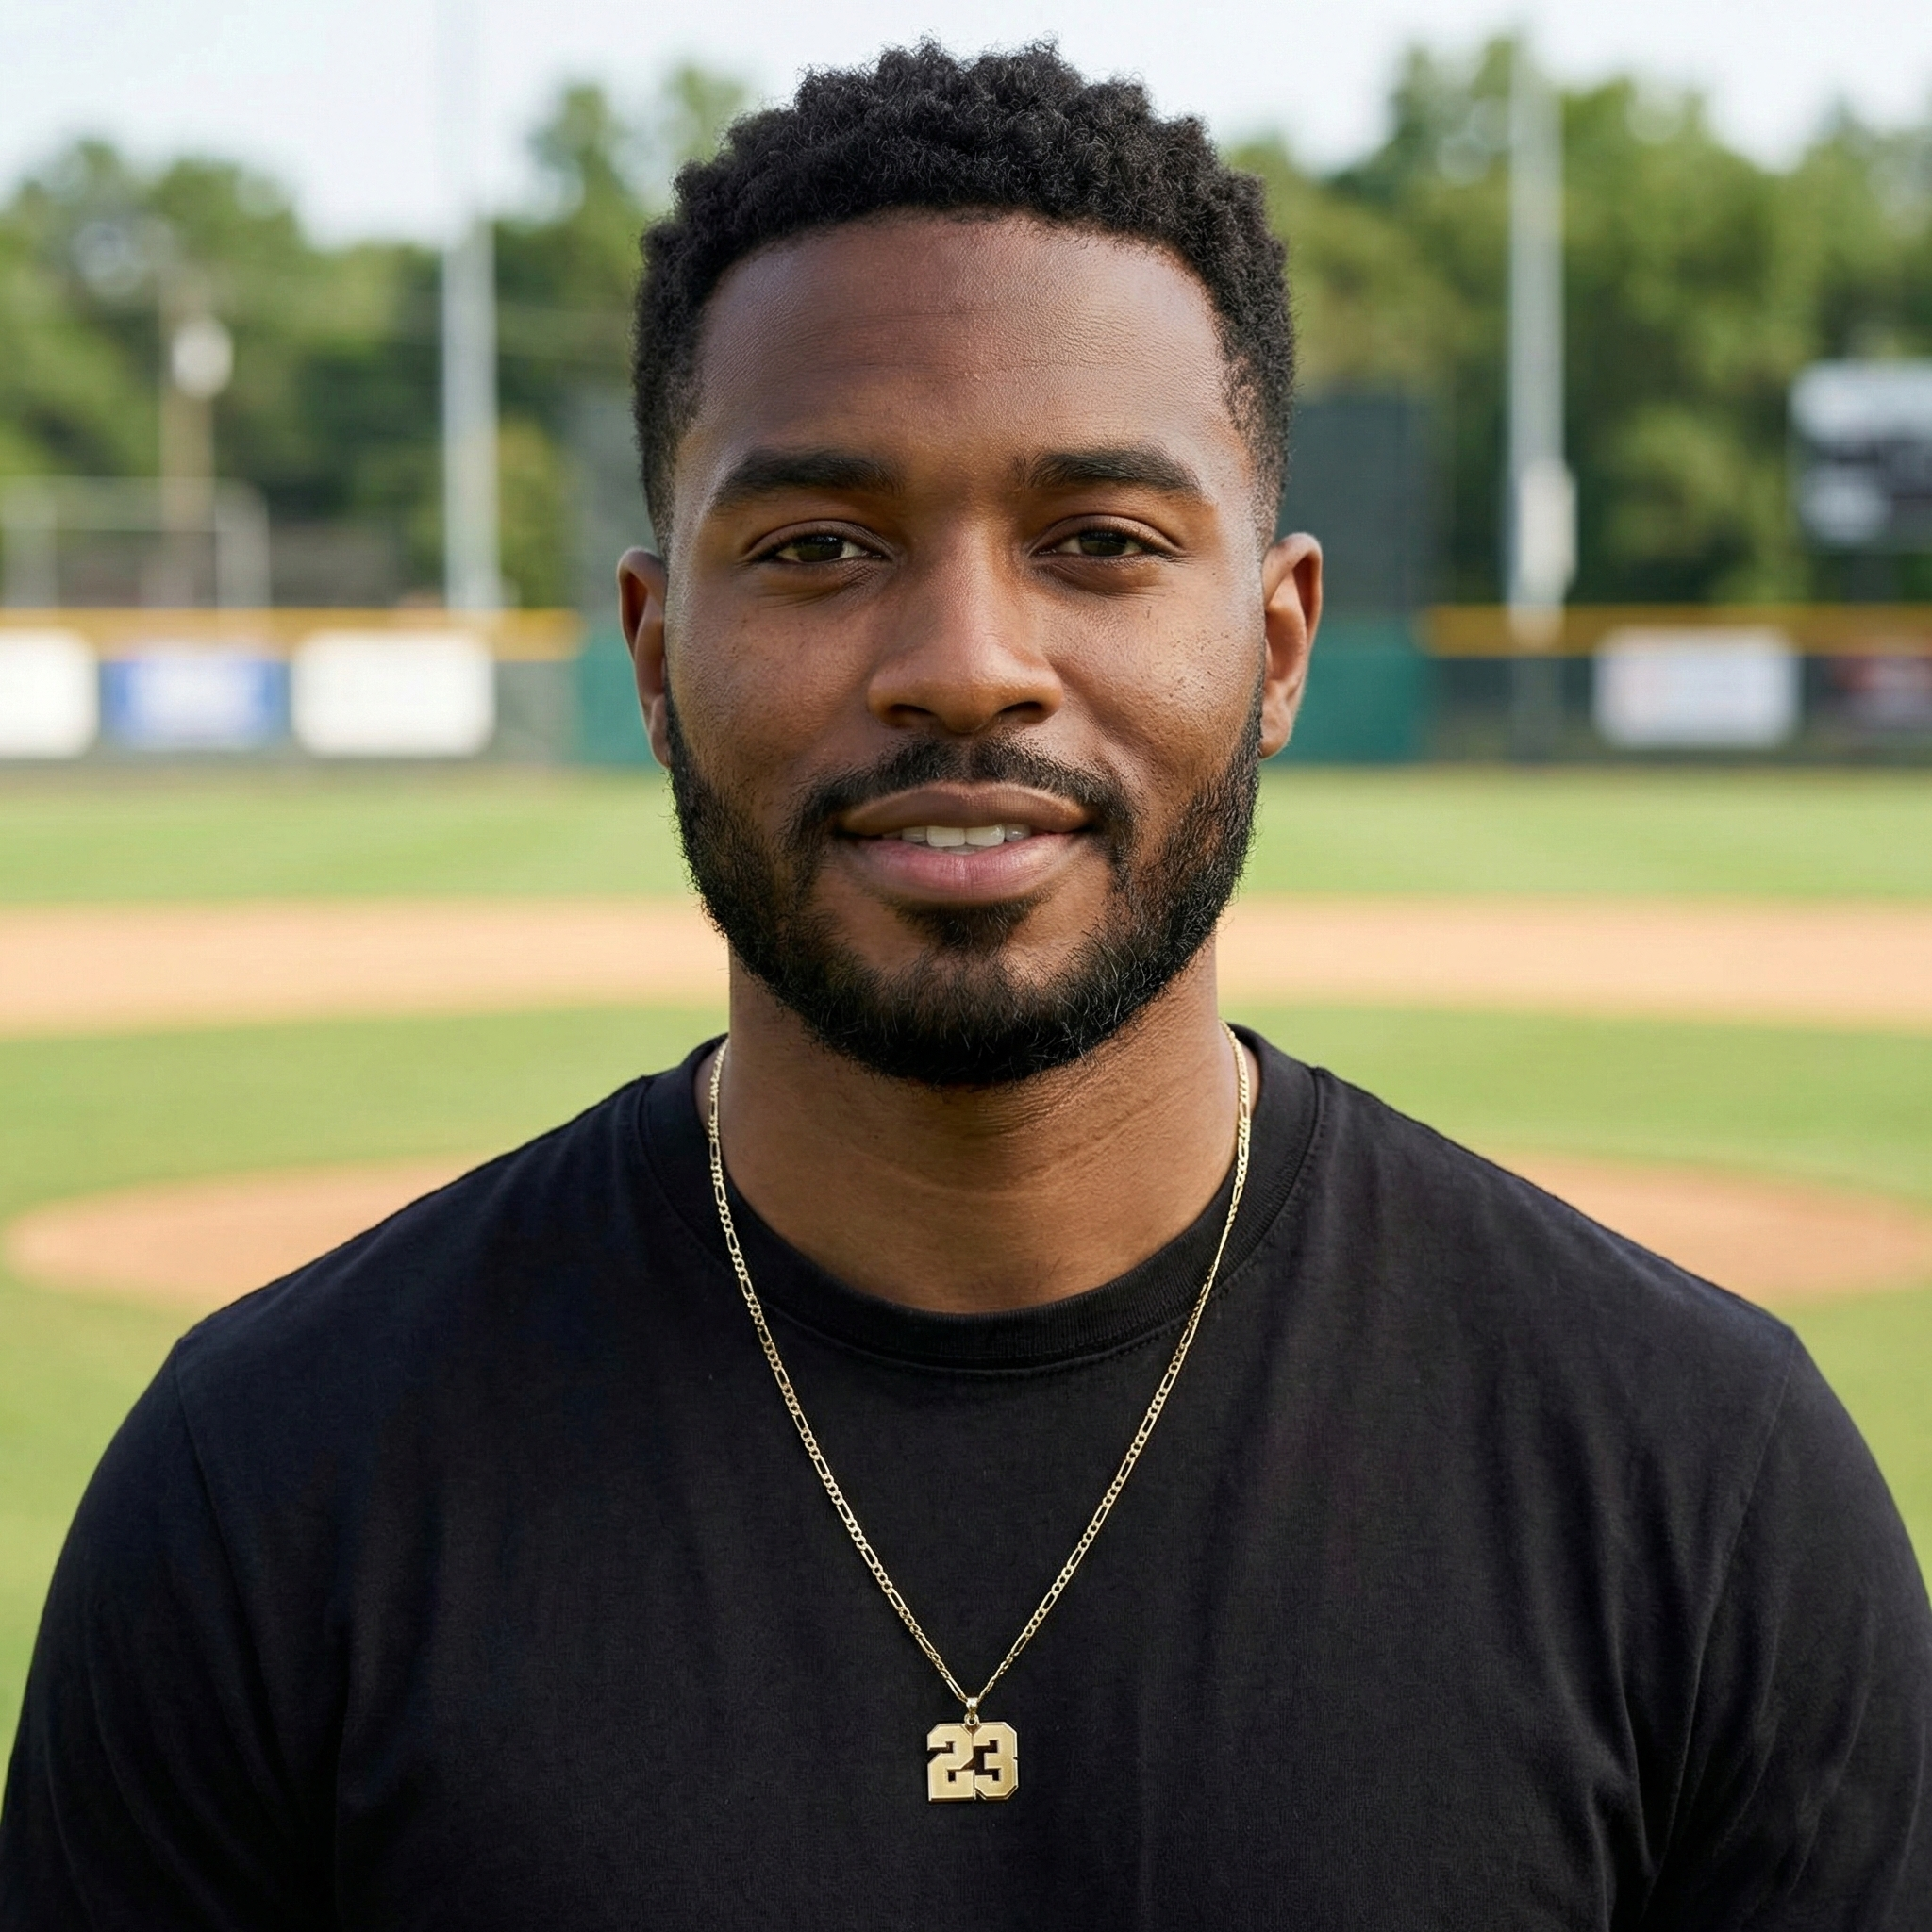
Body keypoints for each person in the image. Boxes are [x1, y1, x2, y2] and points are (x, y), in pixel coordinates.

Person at [3, 42, 1927, 1930]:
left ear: (1276, 643)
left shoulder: (1701, 1480)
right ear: (658, 653)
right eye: (821, 544)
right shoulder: (264, 1484)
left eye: (1098, 542)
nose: (965, 663)